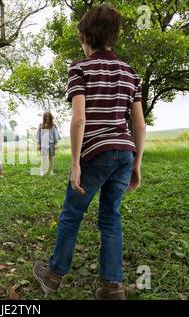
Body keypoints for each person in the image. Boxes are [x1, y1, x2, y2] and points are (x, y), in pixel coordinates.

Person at [33, 4, 146, 300]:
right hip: (124, 151)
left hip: (95, 153)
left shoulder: (79, 69)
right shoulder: (130, 73)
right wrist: (137, 163)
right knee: (111, 218)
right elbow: (139, 124)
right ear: (114, 36)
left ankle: (53, 276)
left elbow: (80, 119)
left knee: (72, 214)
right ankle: (113, 286)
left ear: (85, 36)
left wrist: (74, 163)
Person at [37, 112, 61, 176]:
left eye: (49, 117)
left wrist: (56, 144)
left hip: (51, 144)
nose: (47, 118)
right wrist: (38, 144)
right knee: (43, 158)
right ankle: (42, 171)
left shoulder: (53, 126)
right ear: (44, 118)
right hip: (43, 145)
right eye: (46, 117)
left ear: (50, 118)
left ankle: (51, 171)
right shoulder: (41, 126)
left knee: (51, 158)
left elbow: (56, 136)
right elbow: (38, 136)